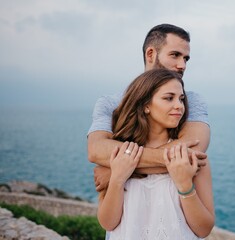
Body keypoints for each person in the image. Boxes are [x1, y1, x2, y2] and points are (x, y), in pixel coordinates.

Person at [87, 24, 210, 191]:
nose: (182, 65)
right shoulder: (111, 103)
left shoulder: (192, 101)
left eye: (186, 59)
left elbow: (194, 149)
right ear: (151, 54)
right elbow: (96, 150)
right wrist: (171, 159)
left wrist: (116, 170)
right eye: (175, 55)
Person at [97, 69, 215, 239]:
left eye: (181, 99)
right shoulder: (120, 154)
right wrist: (117, 179)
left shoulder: (189, 157)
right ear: (146, 105)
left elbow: (204, 229)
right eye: (169, 98)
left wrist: (184, 186)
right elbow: (108, 223)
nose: (179, 106)